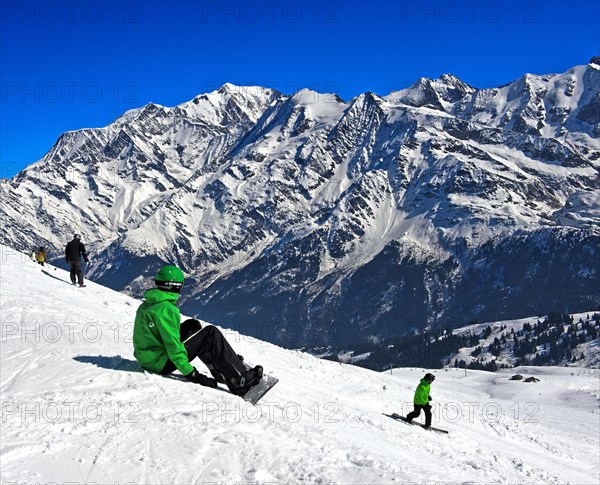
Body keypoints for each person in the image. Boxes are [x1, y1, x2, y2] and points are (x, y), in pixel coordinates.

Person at [133, 265, 263, 396]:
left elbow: (145, 337)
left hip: (147, 359)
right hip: (160, 363)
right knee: (211, 334)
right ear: (176, 285)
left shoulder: (146, 305)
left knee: (192, 326)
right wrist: (193, 375)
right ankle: (239, 381)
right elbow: (173, 346)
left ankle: (220, 369)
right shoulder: (166, 309)